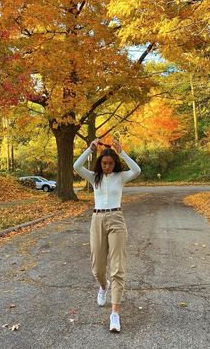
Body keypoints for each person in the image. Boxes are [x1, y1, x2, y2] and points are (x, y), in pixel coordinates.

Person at [73, 138, 141, 332]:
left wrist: (122, 152)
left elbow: (137, 171)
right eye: (104, 163)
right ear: (100, 163)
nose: (107, 167)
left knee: (118, 267)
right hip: (97, 220)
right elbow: (76, 166)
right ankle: (104, 286)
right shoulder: (95, 177)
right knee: (97, 268)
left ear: (115, 164)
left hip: (116, 219)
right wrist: (90, 148)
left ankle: (115, 314)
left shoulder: (120, 176)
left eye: (110, 164)